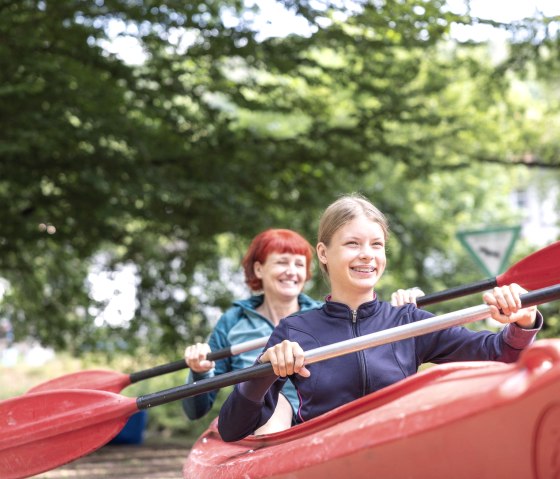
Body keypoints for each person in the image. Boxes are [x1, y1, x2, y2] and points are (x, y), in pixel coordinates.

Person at [218, 193, 542, 442]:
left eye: (377, 244)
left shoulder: (409, 322)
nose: (367, 255)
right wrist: (265, 369)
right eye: (352, 244)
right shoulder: (295, 331)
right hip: (323, 460)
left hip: (397, 455)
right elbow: (233, 428)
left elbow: (500, 353)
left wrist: (522, 322)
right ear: (323, 253)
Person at [182, 228, 323, 434]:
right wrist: (200, 372)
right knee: (273, 405)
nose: (292, 271)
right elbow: (196, 410)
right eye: (282, 262)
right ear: (259, 269)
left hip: (319, 420)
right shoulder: (234, 320)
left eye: (299, 264)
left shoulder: (324, 315)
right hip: (262, 423)